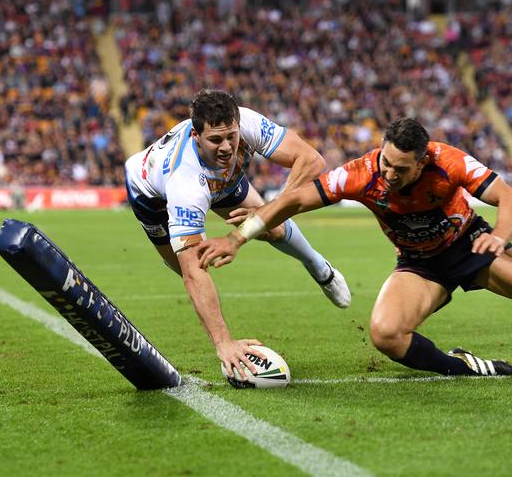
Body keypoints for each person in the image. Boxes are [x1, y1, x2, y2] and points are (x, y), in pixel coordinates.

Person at [198, 117, 512, 377]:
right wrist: (237, 237)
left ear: (422, 163)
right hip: (419, 265)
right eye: (386, 161)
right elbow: (295, 200)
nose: (388, 173)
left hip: (472, 248)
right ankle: (466, 369)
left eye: (401, 169)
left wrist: (500, 238)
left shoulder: (449, 162)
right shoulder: (362, 173)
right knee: (386, 334)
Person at [124, 89, 351, 380]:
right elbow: (194, 272)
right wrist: (224, 344)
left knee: (273, 225)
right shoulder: (185, 183)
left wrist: (267, 211)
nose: (227, 147)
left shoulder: (247, 123)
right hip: (150, 195)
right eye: (215, 139)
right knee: (189, 266)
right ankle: (214, 323)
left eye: (230, 136)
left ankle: (320, 267)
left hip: (222, 179)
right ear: (196, 135)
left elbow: (312, 161)